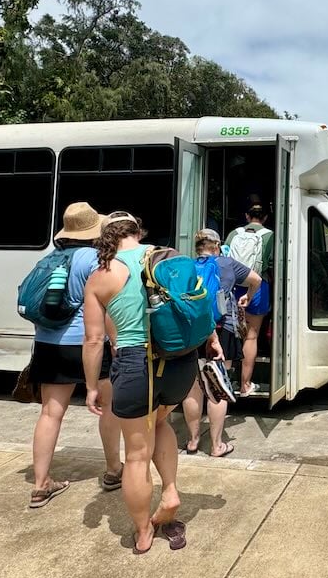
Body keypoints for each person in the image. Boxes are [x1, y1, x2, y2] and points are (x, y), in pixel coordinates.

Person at [81, 212, 222, 554]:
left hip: (133, 365)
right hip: (179, 362)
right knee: (160, 422)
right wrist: (212, 338)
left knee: (137, 454)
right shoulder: (167, 256)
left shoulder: (101, 275)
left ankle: (143, 532)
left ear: (105, 238)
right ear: (138, 231)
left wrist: (90, 386)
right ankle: (170, 492)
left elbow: (94, 340)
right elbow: (194, 304)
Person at [27, 203, 123, 508]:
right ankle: (112, 470)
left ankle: (41, 484)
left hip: (47, 343)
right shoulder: (95, 259)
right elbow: (105, 303)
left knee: (50, 413)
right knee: (109, 406)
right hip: (86, 344)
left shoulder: (50, 258)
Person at [181, 229, 261, 457]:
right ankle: (216, 445)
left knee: (193, 387)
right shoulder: (227, 264)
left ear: (197, 247)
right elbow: (256, 280)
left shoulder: (187, 266)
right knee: (217, 386)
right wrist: (248, 296)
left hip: (194, 330)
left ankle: (193, 440)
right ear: (217, 245)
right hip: (221, 328)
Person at [226, 204, 273, 395]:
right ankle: (245, 385)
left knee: (232, 333)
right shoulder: (269, 235)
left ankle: (224, 382)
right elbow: (270, 262)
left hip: (234, 287)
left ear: (247, 216)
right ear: (265, 217)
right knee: (251, 335)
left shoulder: (233, 234)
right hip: (257, 288)